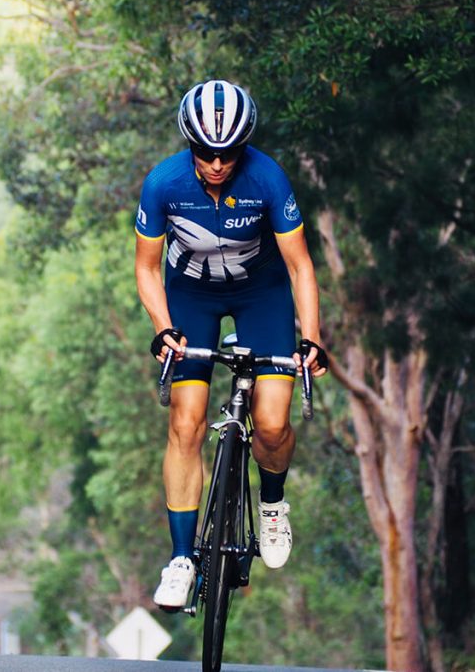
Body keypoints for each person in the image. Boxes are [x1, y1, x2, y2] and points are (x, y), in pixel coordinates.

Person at [134, 80, 329, 611]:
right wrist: (162, 326)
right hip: (190, 297)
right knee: (185, 421)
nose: (217, 163)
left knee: (270, 423)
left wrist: (311, 337)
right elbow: (147, 268)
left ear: (243, 148)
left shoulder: (268, 178)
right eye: (206, 152)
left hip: (260, 298)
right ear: (189, 145)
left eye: (228, 153)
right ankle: (181, 559)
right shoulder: (163, 184)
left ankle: (271, 504)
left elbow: (300, 265)